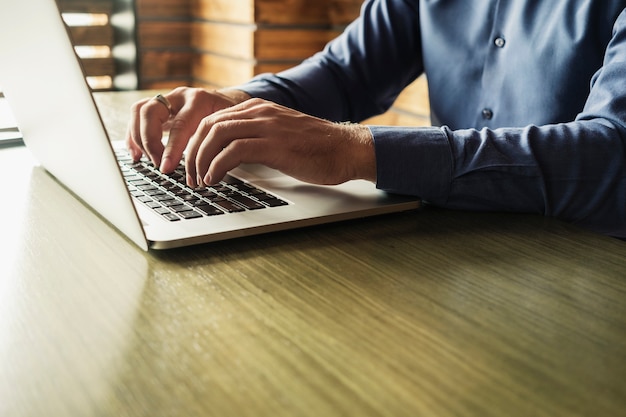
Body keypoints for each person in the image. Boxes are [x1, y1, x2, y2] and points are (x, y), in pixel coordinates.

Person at [126, 0, 626, 238]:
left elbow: (611, 151)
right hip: (452, 250)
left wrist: (352, 149)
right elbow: (346, 74)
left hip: (589, 263)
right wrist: (234, 103)